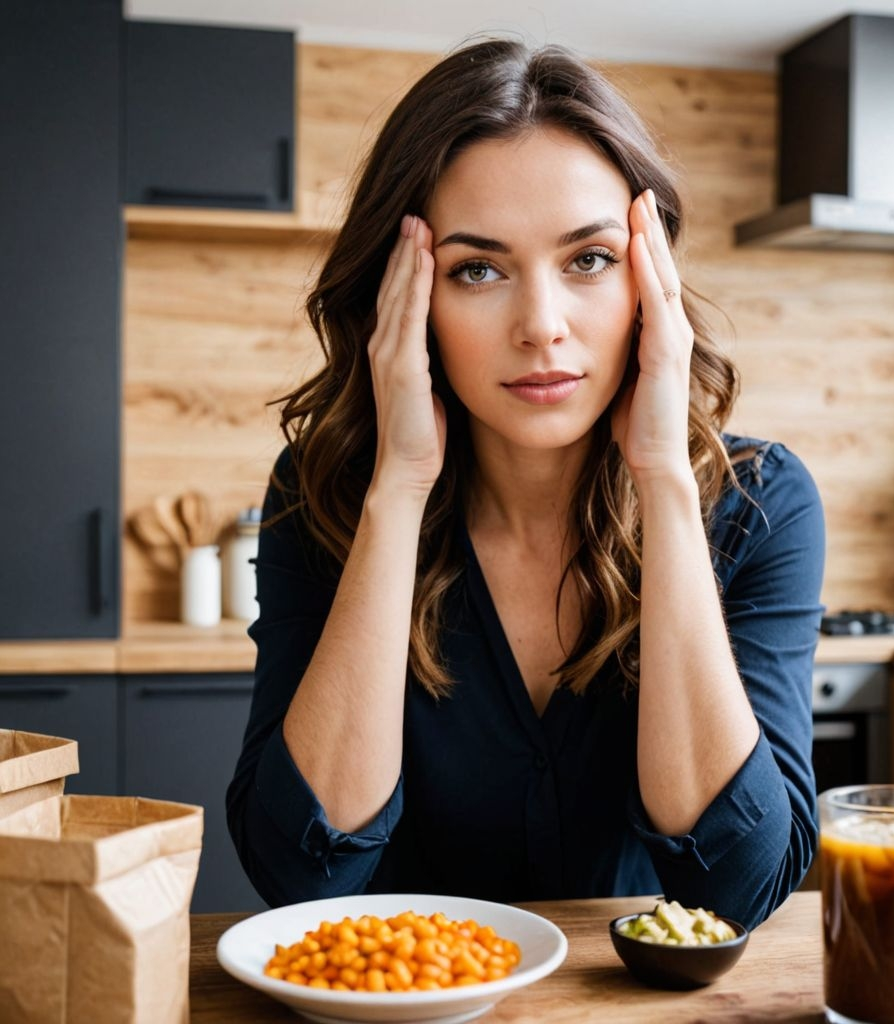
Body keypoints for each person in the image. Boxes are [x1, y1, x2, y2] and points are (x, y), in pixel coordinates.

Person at [226, 37, 825, 928]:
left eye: (588, 259)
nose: (542, 326)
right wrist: (398, 487)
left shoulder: (760, 502)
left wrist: (663, 478)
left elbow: (733, 889)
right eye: (478, 269)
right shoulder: (327, 494)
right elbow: (299, 872)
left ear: (647, 281)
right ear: (407, 300)